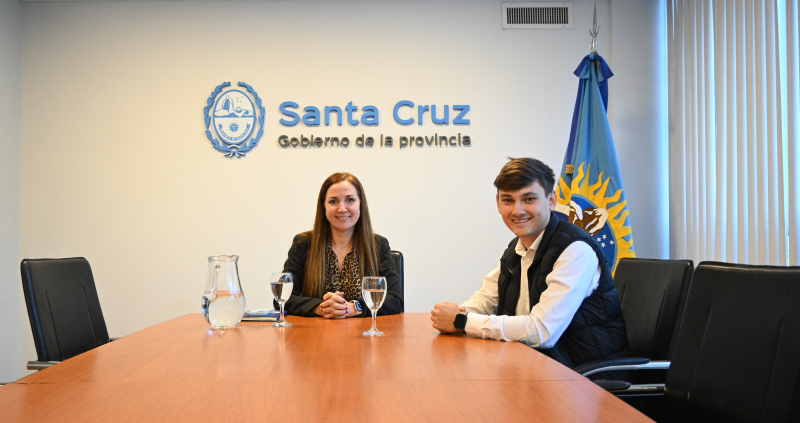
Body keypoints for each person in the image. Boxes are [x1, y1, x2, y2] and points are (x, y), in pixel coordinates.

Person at [431, 157, 628, 370]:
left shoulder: (575, 250)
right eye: (508, 200)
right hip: (534, 368)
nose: (518, 211)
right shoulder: (518, 248)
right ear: (498, 203)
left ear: (551, 200)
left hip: (585, 379)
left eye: (529, 199)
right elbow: (486, 298)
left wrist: (461, 321)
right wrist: (460, 312)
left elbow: (542, 332)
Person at [278, 172, 403, 318]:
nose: (342, 208)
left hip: (364, 335)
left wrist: (355, 307)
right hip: (315, 334)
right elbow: (282, 298)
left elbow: (395, 299)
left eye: (350, 200)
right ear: (323, 207)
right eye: (333, 201)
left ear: (360, 205)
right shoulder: (303, 244)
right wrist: (320, 308)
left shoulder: (377, 245)